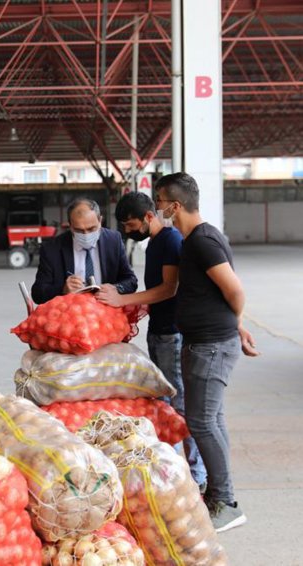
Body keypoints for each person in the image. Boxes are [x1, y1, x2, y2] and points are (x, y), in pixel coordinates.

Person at [153, 172, 259, 533]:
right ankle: (219, 494)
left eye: (160, 201)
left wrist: (236, 322)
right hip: (208, 342)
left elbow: (235, 289)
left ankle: (226, 502)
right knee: (211, 420)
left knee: (200, 422)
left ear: (175, 205)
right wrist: (237, 326)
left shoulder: (202, 241)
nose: (158, 208)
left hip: (211, 346)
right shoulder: (196, 239)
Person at [97, 191, 208, 491]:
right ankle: (170, 471)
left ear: (148, 216)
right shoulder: (154, 244)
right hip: (159, 331)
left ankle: (196, 476)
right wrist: (135, 306)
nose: (129, 232)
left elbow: (168, 289)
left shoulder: (170, 241)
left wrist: (123, 299)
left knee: (179, 404)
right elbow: (155, 293)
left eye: (132, 225)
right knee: (162, 402)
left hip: (172, 334)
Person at [31, 198, 138, 304]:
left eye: (92, 229)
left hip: (107, 312)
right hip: (69, 314)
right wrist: (62, 290)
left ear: (100, 221)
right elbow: (37, 294)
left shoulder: (113, 241)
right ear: (70, 226)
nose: (86, 235)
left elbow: (131, 281)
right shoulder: (52, 249)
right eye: (79, 230)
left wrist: (115, 288)